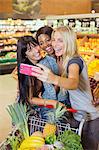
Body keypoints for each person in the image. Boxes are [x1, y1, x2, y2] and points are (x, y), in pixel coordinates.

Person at [32, 26, 99, 150]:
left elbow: (73, 82)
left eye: (60, 40)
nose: (54, 44)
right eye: (54, 39)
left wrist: (52, 78)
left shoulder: (74, 61)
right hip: (78, 116)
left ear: (69, 42)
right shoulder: (64, 60)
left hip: (89, 118)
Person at [17, 35, 66, 118]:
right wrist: (52, 102)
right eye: (30, 50)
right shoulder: (27, 70)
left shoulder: (43, 62)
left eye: (35, 45)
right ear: (25, 55)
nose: (36, 50)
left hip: (44, 105)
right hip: (32, 113)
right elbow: (30, 99)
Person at [35, 26, 70, 118]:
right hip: (52, 108)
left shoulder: (67, 57)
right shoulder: (44, 63)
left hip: (69, 102)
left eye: (48, 40)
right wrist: (61, 75)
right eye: (41, 43)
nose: (46, 45)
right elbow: (51, 95)